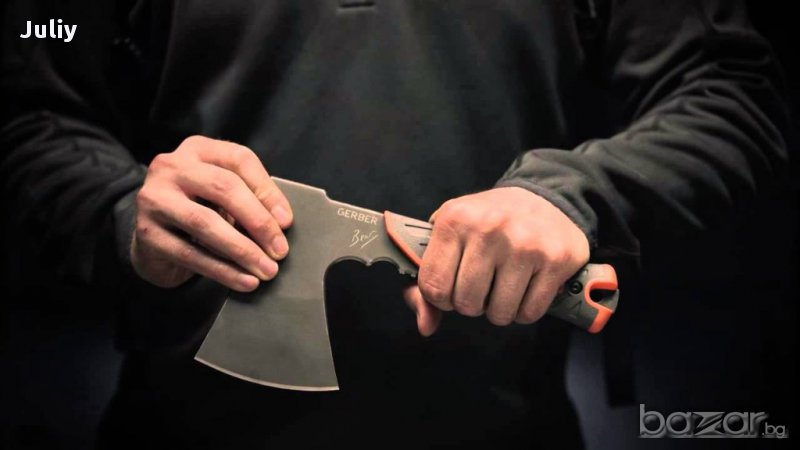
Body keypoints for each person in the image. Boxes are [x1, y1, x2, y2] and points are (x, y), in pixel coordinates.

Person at [0, 0, 790, 448]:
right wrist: (118, 207)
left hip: (504, 430)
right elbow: (30, 111)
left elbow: (728, 92)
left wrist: (574, 196)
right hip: (180, 433)